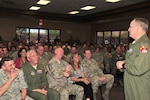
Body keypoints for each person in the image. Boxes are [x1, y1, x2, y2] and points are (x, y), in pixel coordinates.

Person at [116, 17, 150, 100]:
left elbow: (139, 68)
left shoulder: (144, 45)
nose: (128, 29)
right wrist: (123, 64)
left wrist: (123, 65)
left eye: (130, 27)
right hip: (131, 83)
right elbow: (134, 61)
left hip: (139, 86)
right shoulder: (135, 44)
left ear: (138, 28)